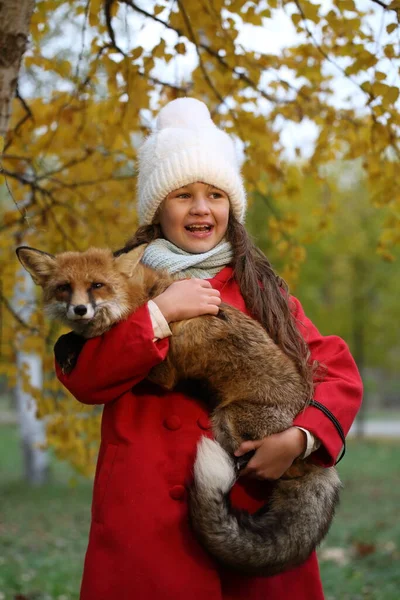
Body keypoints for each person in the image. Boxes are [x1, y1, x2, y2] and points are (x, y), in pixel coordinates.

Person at [55, 97, 363, 600]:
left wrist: (300, 439)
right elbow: (86, 378)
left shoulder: (261, 290)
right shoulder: (113, 282)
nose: (201, 208)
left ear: (231, 209)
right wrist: (160, 313)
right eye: (182, 195)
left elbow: (336, 370)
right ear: (158, 209)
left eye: (216, 195)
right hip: (150, 511)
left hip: (248, 494)